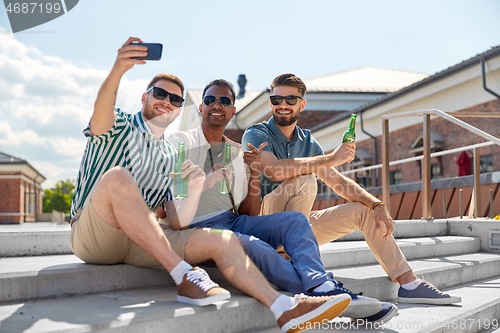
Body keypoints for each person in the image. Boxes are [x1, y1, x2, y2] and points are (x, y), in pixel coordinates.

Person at [69, 38, 350, 333]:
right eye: (159, 94)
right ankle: (184, 276)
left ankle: (286, 308)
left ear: (180, 110)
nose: (167, 101)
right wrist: (118, 69)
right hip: (98, 234)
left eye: (176, 99)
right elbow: (101, 112)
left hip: (143, 239)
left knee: (224, 240)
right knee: (118, 177)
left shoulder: (169, 153)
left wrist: (201, 185)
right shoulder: (121, 126)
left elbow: (177, 218)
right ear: (144, 97)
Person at [164, 79, 396, 324]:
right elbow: (176, 207)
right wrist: (205, 182)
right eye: (209, 100)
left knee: (295, 221)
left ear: (233, 111)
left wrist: (254, 174)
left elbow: (248, 214)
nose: (216, 105)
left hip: (234, 221)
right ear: (201, 107)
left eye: (225, 101)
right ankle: (330, 294)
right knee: (253, 245)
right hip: (202, 228)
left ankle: (322, 285)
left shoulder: (236, 153)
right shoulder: (182, 143)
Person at [241, 73, 462, 306]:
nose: (282, 105)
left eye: (290, 100)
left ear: (302, 104)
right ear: (270, 102)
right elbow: (274, 171)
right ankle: (286, 260)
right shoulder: (257, 133)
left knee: (363, 210)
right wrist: (330, 158)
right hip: (263, 227)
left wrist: (377, 204)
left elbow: (339, 183)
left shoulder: (306, 140)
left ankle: (409, 284)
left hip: (295, 230)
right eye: (276, 100)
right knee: (304, 179)